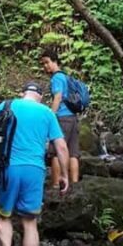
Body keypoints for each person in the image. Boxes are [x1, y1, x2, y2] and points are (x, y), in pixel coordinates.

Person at [0, 82, 69, 246]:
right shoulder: (47, 113)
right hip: (35, 170)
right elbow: (61, 147)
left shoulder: (8, 105)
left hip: (9, 167)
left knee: (3, 216)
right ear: (40, 97)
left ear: (23, 93)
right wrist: (64, 174)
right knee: (30, 222)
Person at [41, 48, 80, 188]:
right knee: (73, 153)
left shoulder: (56, 78)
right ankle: (74, 184)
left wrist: (51, 116)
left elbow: (57, 97)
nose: (45, 66)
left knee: (56, 152)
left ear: (55, 61)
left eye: (47, 62)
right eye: (43, 63)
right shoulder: (66, 77)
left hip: (62, 118)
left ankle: (57, 184)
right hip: (73, 118)